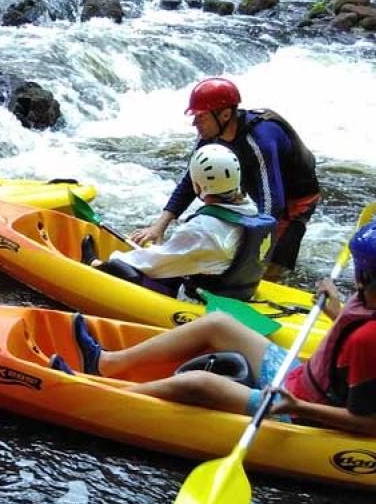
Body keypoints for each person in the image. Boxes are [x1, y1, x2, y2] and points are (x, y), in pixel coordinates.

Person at [50, 220, 376, 436]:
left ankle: (98, 400)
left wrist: (296, 406)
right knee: (218, 324)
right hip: (299, 377)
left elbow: (369, 422)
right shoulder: (368, 298)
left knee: (198, 384)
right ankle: (107, 364)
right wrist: (335, 309)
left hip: (302, 410)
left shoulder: (368, 340)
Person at [131, 77, 319, 279]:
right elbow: (191, 181)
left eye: (201, 117)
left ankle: (270, 283)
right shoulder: (208, 135)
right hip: (262, 187)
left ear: (225, 115)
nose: (194, 123)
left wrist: (252, 253)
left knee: (266, 265)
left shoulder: (260, 139)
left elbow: (273, 204)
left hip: (296, 199)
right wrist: (159, 227)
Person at [85, 144, 276, 302]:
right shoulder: (250, 209)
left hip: (201, 299)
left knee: (120, 267)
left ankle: (93, 264)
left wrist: (114, 259)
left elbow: (150, 264)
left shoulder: (203, 229)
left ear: (198, 185)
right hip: (238, 290)